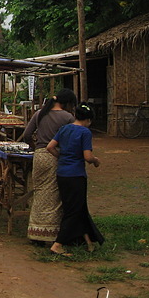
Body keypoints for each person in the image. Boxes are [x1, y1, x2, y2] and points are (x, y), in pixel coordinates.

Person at [21, 88, 77, 244]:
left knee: (39, 192)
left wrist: (34, 146)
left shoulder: (40, 113)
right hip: (54, 156)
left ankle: (35, 232)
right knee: (53, 195)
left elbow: (26, 135)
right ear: (67, 103)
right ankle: (49, 233)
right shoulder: (68, 117)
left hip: (38, 157)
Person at [48, 103, 104, 256]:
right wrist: (96, 160)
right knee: (73, 211)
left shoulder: (65, 128)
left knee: (77, 208)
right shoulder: (85, 132)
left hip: (62, 174)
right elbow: (87, 156)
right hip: (76, 175)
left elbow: (50, 147)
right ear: (88, 119)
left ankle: (89, 242)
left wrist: (62, 157)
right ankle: (57, 244)